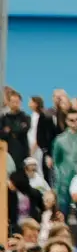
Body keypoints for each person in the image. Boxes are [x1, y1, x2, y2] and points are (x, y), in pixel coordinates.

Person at [0, 94, 29, 232]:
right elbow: (2, 134)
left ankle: (16, 224)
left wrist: (10, 130)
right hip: (5, 157)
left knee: (16, 190)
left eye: (17, 101)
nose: (15, 104)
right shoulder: (4, 118)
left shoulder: (25, 117)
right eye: (12, 101)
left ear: (20, 102)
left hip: (20, 159)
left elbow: (23, 129)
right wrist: (12, 131)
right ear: (8, 102)